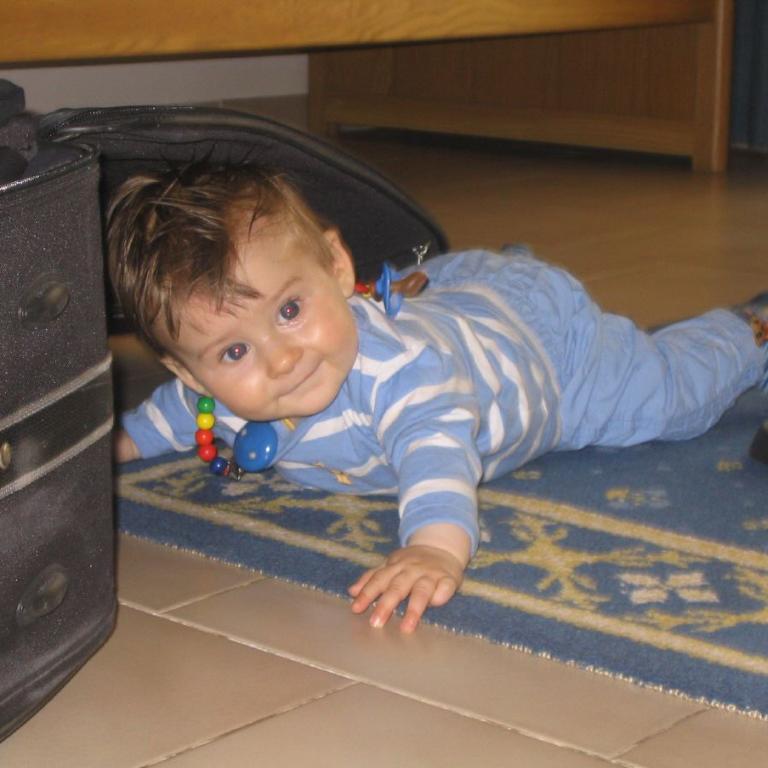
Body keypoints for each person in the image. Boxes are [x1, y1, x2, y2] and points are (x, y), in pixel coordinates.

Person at [109, 163, 768, 633]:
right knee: (419, 296)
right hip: (442, 290)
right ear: (191, 371)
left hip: (548, 354)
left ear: (337, 267)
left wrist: (433, 547)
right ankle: (502, 265)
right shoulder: (215, 393)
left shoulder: (403, 376)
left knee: (667, 400)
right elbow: (174, 412)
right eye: (233, 352)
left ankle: (750, 331)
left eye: (289, 310)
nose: (281, 359)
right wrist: (119, 442)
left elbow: (436, 455)